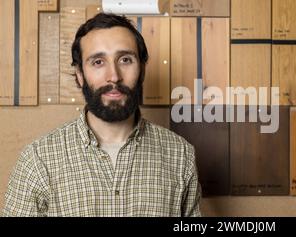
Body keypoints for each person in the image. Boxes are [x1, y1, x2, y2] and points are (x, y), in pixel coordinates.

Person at [2, 13, 201, 217]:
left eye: (125, 59)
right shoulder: (38, 160)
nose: (114, 76)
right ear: (80, 75)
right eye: (98, 62)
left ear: (142, 70)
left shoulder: (180, 155)